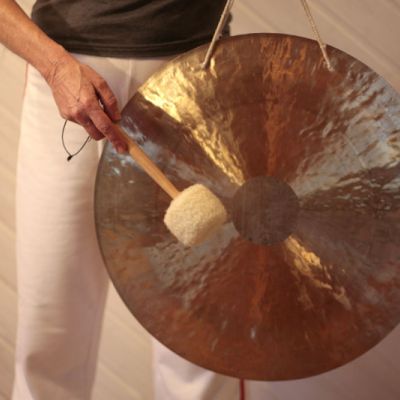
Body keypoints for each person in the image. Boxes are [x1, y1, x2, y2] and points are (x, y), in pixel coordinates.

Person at [0, 0, 242, 399]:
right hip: (70, 76)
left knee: (201, 341)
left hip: (195, 74)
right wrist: (54, 66)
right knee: (51, 326)